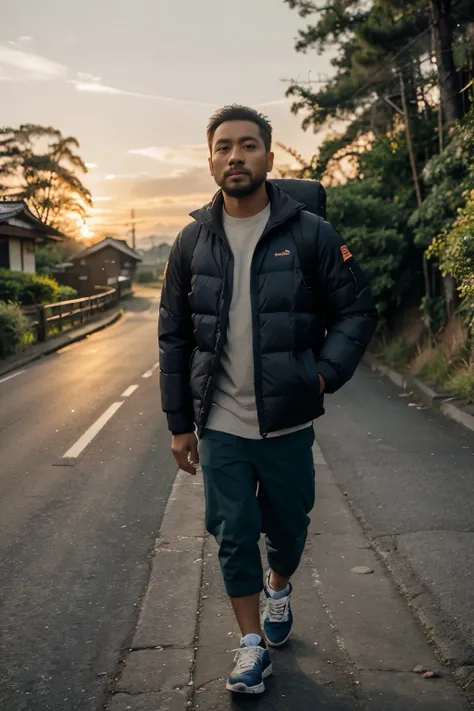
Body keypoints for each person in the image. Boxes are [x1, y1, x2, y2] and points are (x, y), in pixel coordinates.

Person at [158, 105, 377, 695]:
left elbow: (356, 310)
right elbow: (174, 335)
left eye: (248, 145)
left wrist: (323, 377)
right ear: (210, 160)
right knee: (232, 531)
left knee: (288, 525)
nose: (236, 156)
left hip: (286, 422)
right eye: (224, 146)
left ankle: (279, 585)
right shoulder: (191, 241)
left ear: (269, 157)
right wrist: (180, 423)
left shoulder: (310, 233)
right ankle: (251, 644)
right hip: (221, 423)